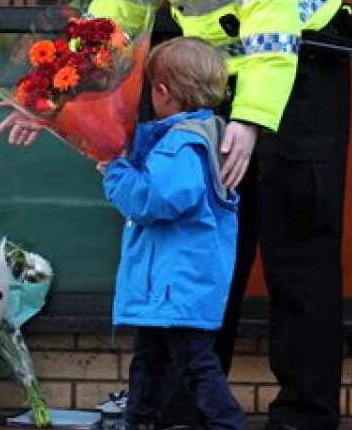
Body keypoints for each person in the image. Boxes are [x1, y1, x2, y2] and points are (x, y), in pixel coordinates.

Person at [0, 0, 352, 430]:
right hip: (218, 93)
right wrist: (47, 99)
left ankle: (305, 417)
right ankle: (191, 411)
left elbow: (271, 11)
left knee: (299, 258)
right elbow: (113, 18)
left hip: (298, 83)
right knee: (204, 251)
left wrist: (250, 119)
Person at [100, 36, 245, 430]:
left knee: (194, 364)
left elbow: (156, 200)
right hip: (175, 282)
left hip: (174, 283)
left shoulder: (181, 143)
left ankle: (227, 424)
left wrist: (114, 170)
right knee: (151, 359)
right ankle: (140, 421)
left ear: (163, 92)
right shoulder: (205, 134)